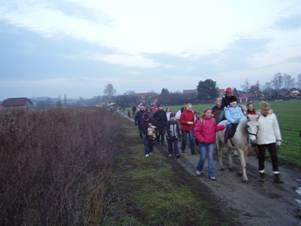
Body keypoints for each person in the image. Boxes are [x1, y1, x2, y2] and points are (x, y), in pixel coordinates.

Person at [194, 108, 225, 180]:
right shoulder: (201, 121)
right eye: (207, 112)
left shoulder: (213, 120)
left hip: (211, 143)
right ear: (204, 113)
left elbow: (215, 128)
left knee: (211, 159)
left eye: (210, 112)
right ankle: (199, 169)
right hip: (203, 143)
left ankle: (211, 174)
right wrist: (202, 139)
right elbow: (196, 132)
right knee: (203, 158)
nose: (209, 114)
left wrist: (223, 126)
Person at [256, 101, 283, 183]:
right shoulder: (257, 116)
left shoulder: (273, 116)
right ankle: (261, 175)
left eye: (267, 110)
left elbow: (276, 128)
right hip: (261, 140)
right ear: (261, 109)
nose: (266, 111)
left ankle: (276, 176)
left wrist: (278, 139)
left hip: (271, 140)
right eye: (264, 110)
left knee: (274, 157)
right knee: (261, 158)